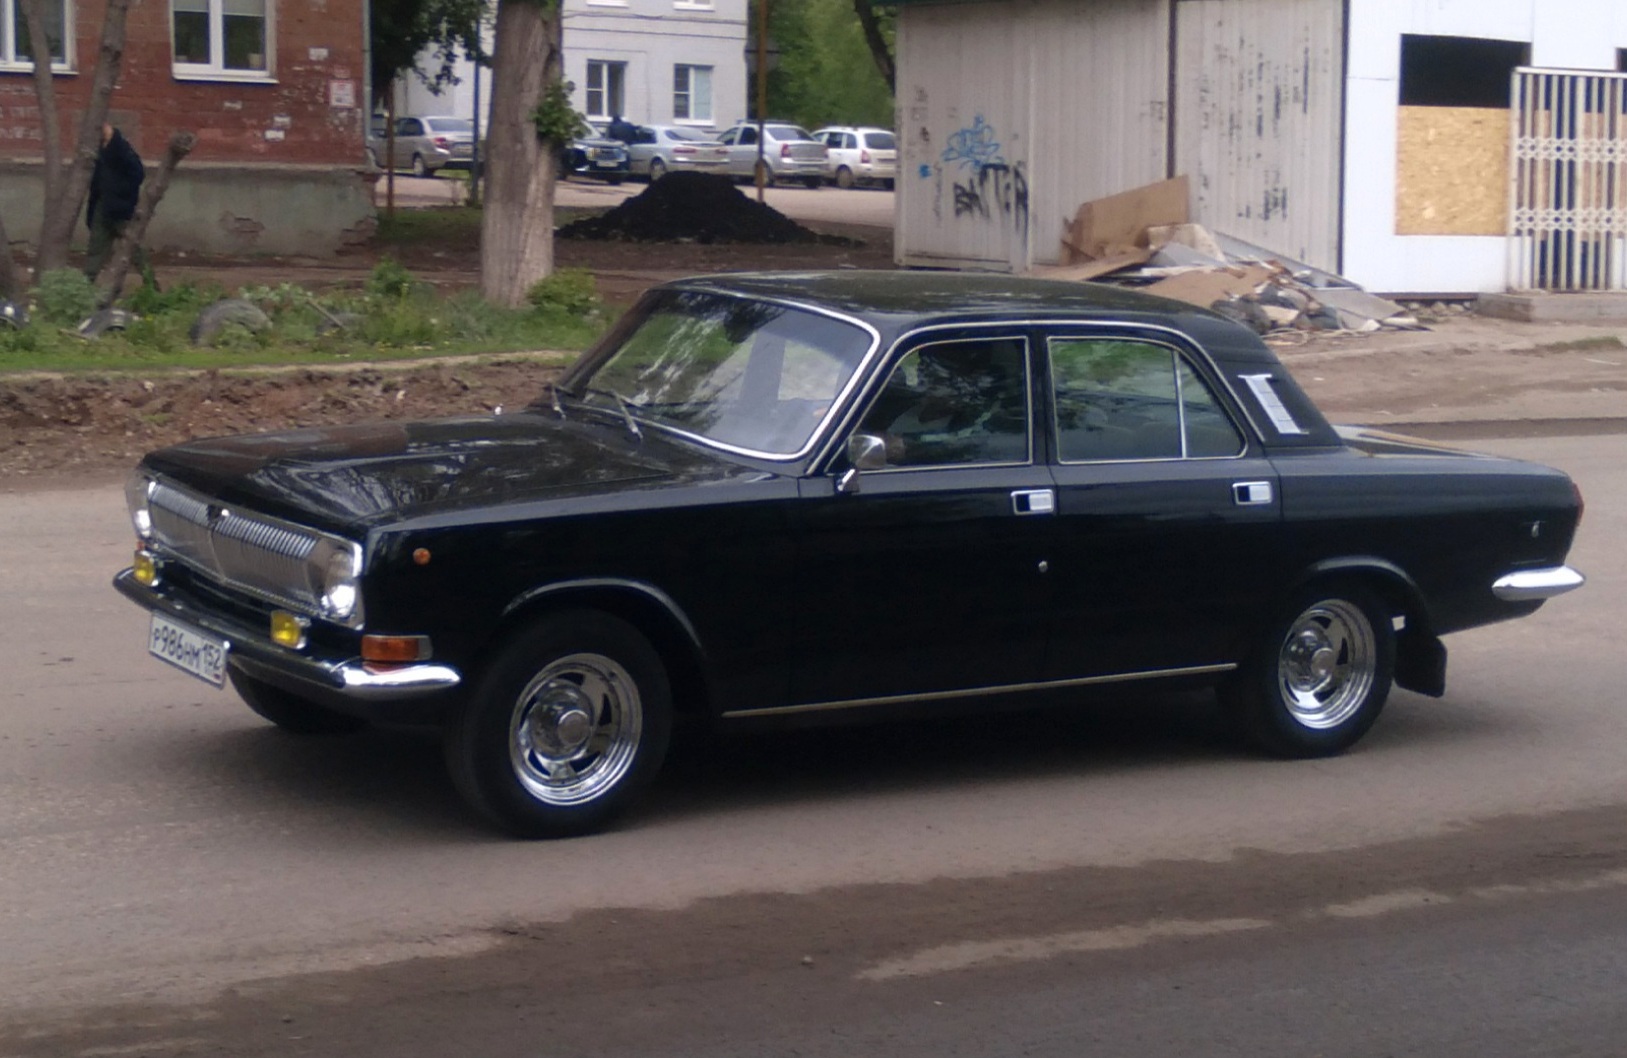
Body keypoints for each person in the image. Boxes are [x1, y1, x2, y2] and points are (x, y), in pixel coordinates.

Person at [83, 123, 148, 283]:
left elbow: (138, 174)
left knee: (134, 251)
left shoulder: (124, 152)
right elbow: (96, 186)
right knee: (95, 250)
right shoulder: (100, 155)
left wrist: (123, 196)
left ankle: (151, 284)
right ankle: (85, 287)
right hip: (102, 208)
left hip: (122, 210)